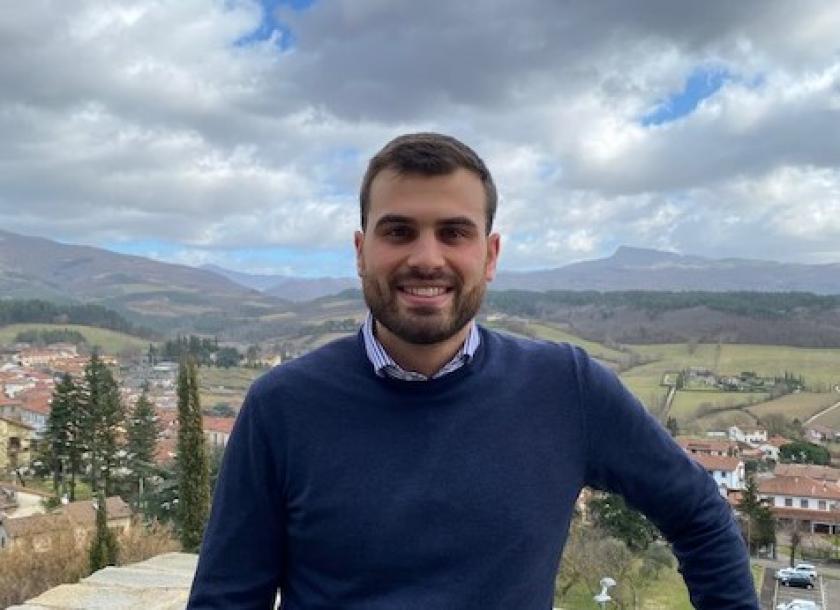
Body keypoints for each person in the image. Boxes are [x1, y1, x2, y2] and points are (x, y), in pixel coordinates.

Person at [187, 133, 758, 609]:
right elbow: (227, 598)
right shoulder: (282, 405)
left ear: (490, 255)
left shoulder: (568, 388)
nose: (426, 258)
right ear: (361, 251)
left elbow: (701, 516)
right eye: (398, 231)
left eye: (454, 233)